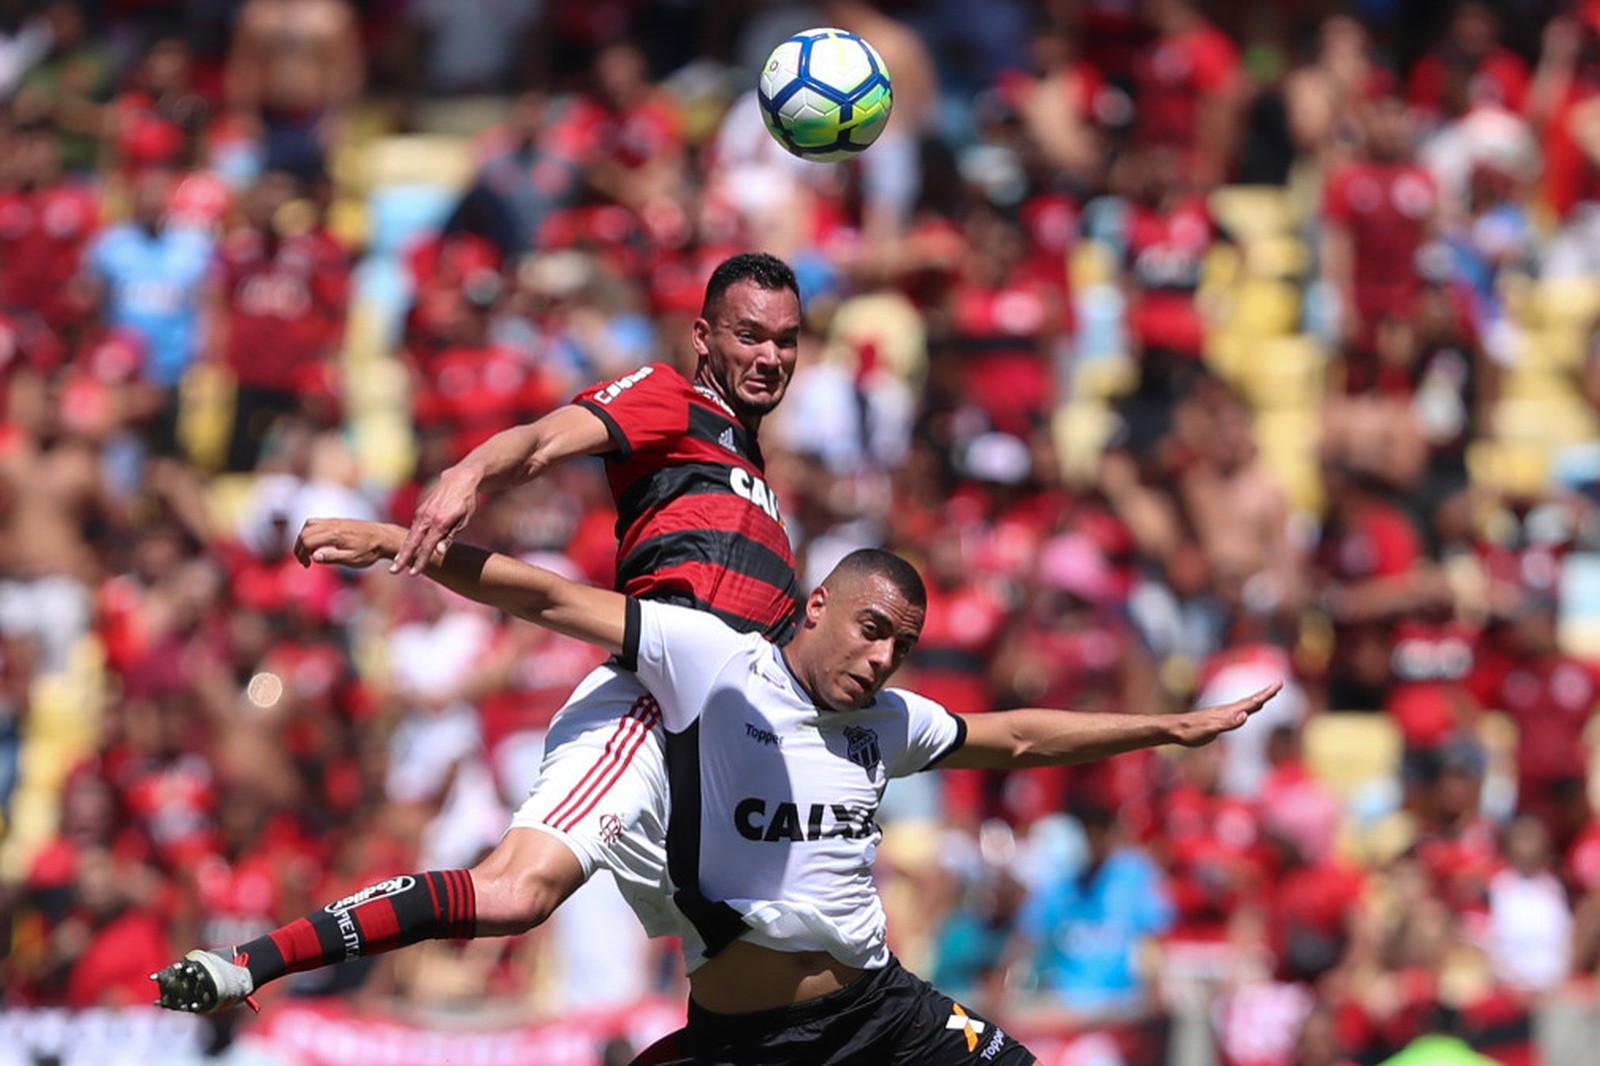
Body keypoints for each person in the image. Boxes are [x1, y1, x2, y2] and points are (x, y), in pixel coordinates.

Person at [266, 520, 1276, 1065]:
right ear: (821, 604)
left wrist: (1168, 726)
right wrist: (401, 542)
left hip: (879, 1016)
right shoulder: (713, 664)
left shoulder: (886, 722)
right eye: (871, 629)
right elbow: (544, 596)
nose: (883, 659)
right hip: (745, 1037)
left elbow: (1012, 737)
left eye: (904, 647)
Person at [151, 252, 805, 1012]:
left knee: (762, 980)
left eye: (786, 341)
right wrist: (466, 477)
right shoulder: (672, 398)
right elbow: (540, 442)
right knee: (514, 892)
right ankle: (253, 961)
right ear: (702, 335)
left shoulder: (752, 471)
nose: (769, 357)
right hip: (654, 712)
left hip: (729, 751)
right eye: (750, 335)